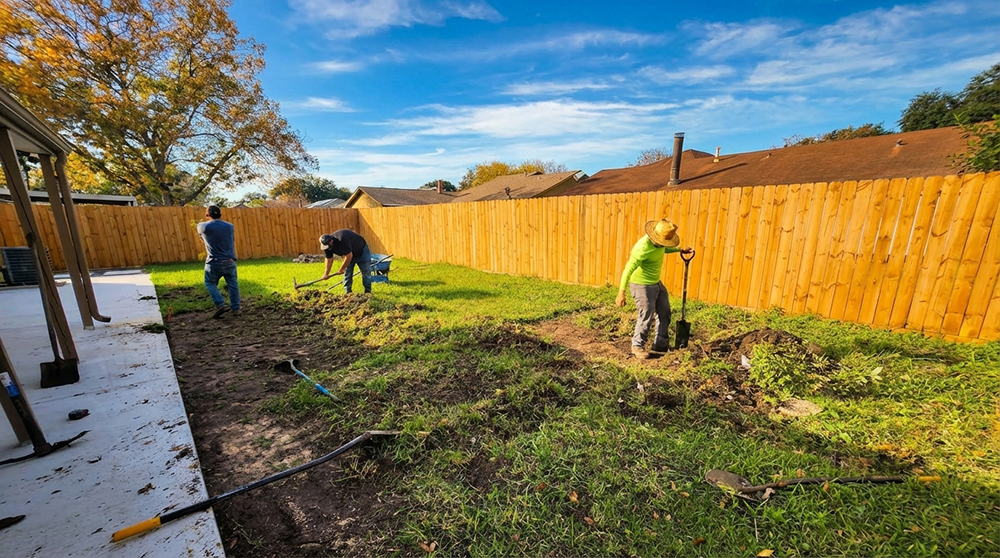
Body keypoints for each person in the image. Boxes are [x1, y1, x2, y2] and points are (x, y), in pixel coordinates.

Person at [616, 218, 693, 359]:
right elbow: (628, 269)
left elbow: (663, 250)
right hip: (641, 285)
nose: (663, 245)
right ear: (654, 238)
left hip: (656, 282)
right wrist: (621, 292)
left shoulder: (660, 243)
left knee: (665, 312)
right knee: (647, 313)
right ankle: (637, 346)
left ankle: (660, 345)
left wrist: (679, 249)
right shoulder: (642, 248)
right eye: (662, 243)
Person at [197, 205, 240, 318]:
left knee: (210, 283)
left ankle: (220, 304)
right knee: (233, 285)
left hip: (213, 262)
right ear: (220, 214)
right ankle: (236, 308)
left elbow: (200, 233)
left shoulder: (203, 227)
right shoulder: (230, 226)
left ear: (207, 215)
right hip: (229, 260)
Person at [320, 229, 372, 294]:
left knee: (366, 272)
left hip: (361, 250)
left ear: (331, 241)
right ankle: (348, 293)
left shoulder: (341, 240)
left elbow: (349, 256)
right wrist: (326, 274)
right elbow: (329, 259)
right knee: (348, 274)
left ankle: (368, 292)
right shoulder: (326, 246)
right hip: (349, 253)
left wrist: (342, 269)